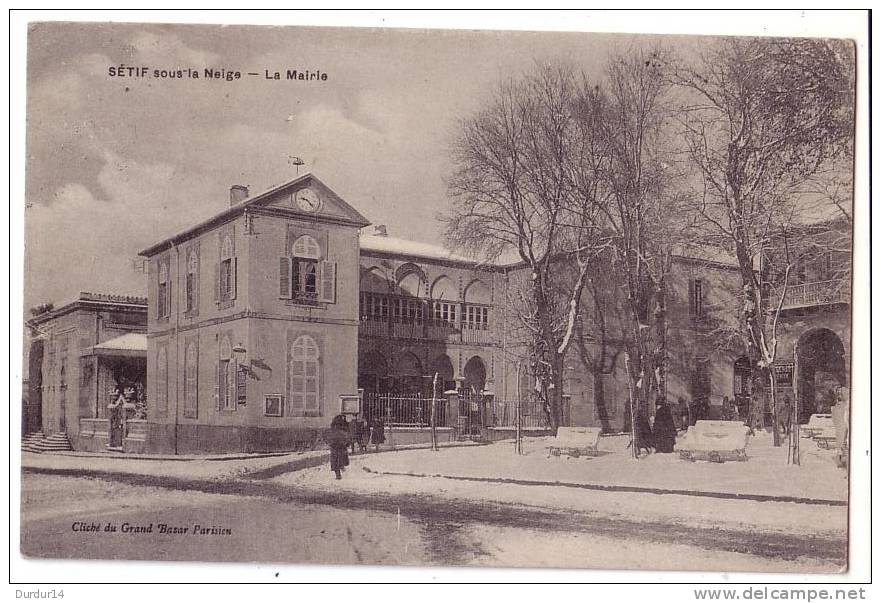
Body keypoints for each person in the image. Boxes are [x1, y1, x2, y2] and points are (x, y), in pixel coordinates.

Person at [326, 414, 351, 480]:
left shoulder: (332, 430)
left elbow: (328, 438)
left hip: (334, 448)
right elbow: (347, 439)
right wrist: (347, 443)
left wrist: (330, 443)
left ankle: (338, 474)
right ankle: (341, 469)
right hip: (341, 447)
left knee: (335, 462)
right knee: (341, 460)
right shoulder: (343, 430)